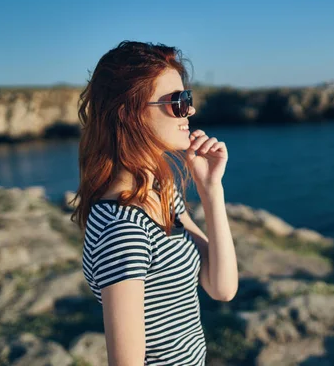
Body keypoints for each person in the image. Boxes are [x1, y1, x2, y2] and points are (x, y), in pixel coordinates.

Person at [71, 40, 238, 366]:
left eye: (187, 99)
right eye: (177, 101)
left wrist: (211, 191)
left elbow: (222, 287)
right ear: (131, 113)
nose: (189, 111)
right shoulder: (122, 229)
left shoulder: (161, 191)